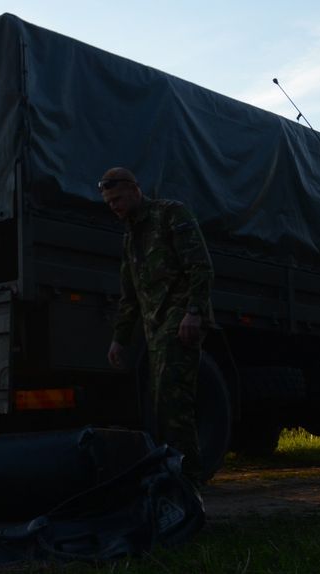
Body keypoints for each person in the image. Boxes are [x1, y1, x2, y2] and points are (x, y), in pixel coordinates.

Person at [101, 167, 214, 483]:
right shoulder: (130, 236)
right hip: (155, 330)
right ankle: (175, 474)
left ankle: (188, 479)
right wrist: (120, 338)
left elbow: (200, 266)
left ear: (135, 190)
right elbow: (130, 295)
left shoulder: (170, 214)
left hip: (179, 323)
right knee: (162, 404)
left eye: (118, 198)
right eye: (109, 202)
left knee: (173, 402)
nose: (115, 206)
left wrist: (194, 313)